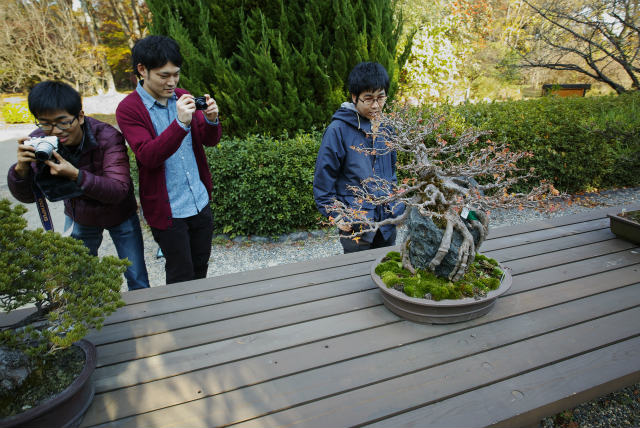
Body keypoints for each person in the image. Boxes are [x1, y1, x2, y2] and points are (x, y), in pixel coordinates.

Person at [7, 80, 150, 291]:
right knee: (78, 281)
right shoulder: (39, 141)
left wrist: (76, 175)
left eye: (63, 122)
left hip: (120, 213)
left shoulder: (108, 137)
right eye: (45, 123)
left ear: (80, 116)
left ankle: (145, 311)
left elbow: (119, 190)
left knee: (136, 276)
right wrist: (21, 169)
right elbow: (29, 197)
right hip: (79, 214)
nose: (55, 131)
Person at [116, 35, 222, 284]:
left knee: (200, 266)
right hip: (168, 211)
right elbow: (148, 156)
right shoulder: (129, 109)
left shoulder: (182, 96)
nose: (172, 82)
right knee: (179, 273)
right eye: (164, 75)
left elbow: (209, 141)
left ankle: (199, 308)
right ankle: (180, 311)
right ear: (142, 70)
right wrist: (180, 123)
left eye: (176, 74)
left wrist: (211, 120)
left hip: (199, 201)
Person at [313, 61, 404, 253]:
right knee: (357, 268)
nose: (376, 105)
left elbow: (392, 172)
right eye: (368, 98)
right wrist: (336, 214)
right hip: (356, 222)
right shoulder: (337, 130)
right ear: (355, 97)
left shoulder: (387, 128)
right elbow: (323, 180)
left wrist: (395, 202)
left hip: (387, 219)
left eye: (381, 97)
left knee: (387, 264)